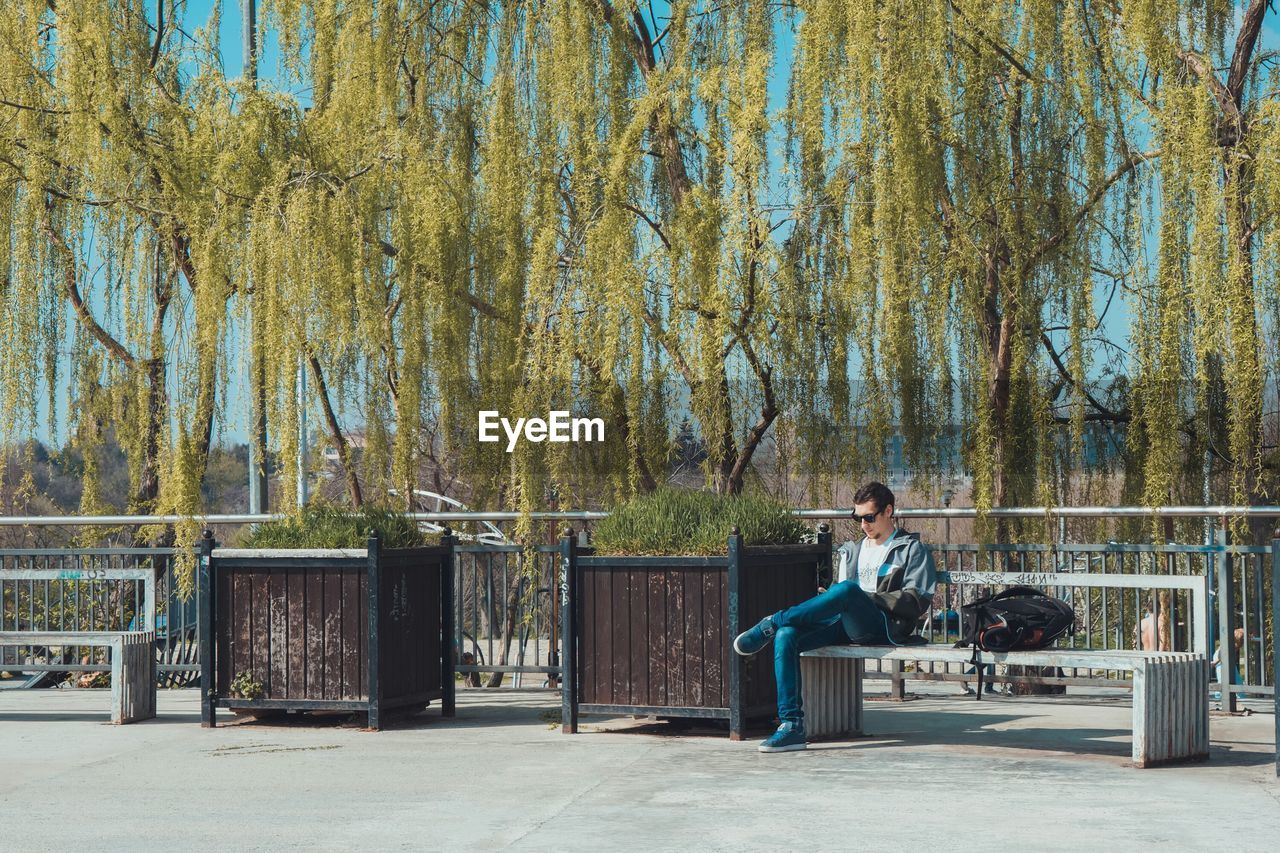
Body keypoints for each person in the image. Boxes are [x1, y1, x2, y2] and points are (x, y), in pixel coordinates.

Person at [732, 482, 937, 752]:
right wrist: (834, 596)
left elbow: (916, 600)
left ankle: (772, 621)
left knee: (848, 590)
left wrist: (863, 598)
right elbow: (839, 596)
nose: (863, 524)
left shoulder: (910, 549)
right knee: (787, 636)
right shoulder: (852, 550)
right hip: (845, 623)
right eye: (857, 517)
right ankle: (791, 726)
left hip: (883, 625)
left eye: (869, 517)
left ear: (888, 511)